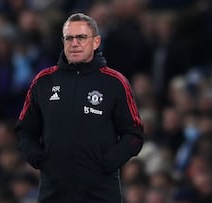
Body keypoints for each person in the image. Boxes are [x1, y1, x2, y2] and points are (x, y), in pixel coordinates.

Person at [15, 13, 145, 203]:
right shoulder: (43, 81)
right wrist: (39, 158)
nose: (74, 43)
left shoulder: (115, 82)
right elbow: (24, 130)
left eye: (81, 37)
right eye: (69, 38)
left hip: (100, 192)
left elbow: (134, 133)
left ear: (96, 42)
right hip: (54, 191)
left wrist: (107, 163)